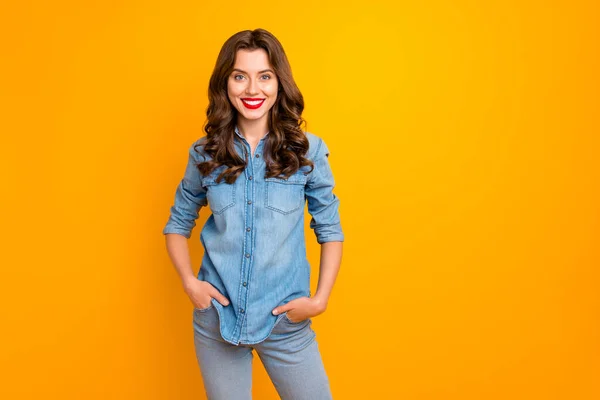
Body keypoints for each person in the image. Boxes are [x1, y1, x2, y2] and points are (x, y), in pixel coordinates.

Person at [162, 28, 344, 400]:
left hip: (285, 323)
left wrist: (320, 299)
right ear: (225, 83)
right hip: (218, 322)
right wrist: (190, 283)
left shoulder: (308, 151)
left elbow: (330, 229)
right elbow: (177, 224)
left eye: (264, 76)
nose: (252, 90)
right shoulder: (204, 153)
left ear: (279, 83)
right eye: (239, 76)